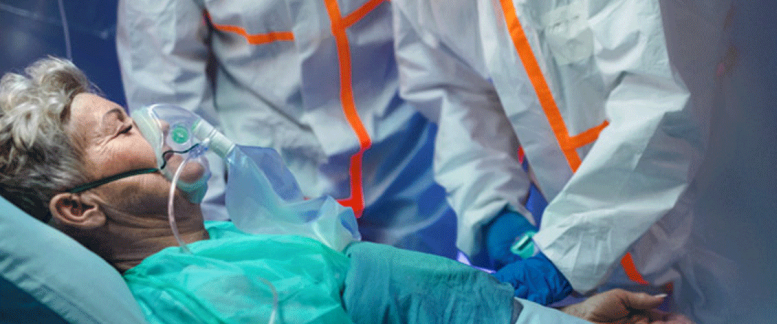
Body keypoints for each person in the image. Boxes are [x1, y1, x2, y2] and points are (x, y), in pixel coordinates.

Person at [0, 57, 694, 324]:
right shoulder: (201, 295)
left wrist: (554, 316)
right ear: (78, 208)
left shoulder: (219, 249)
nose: (159, 128)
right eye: (124, 129)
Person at [340, 0, 736, 322]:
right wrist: (494, 214)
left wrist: (564, 255)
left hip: (726, 226)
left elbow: (662, 101)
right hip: (610, 267)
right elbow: (461, 106)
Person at [115, 0, 457, 258]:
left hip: (412, 158)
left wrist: (475, 173)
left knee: (433, 284)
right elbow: (164, 63)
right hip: (272, 181)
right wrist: (209, 229)